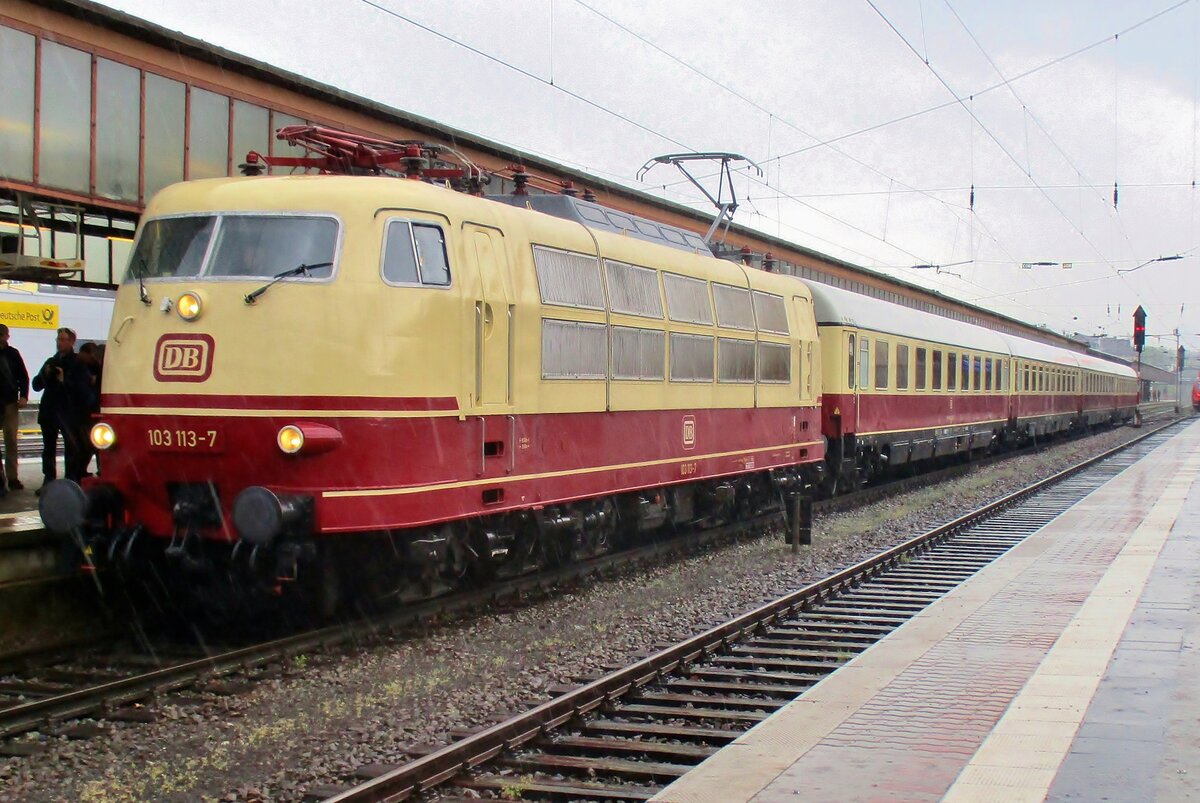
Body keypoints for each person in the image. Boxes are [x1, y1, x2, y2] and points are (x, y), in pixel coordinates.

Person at [32, 328, 91, 489]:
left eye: (64, 339)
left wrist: (64, 380)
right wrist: (45, 375)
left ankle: (70, 480)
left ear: (72, 342)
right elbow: (36, 385)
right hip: (49, 411)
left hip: (68, 413)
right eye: (58, 339)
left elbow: (82, 390)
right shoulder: (51, 361)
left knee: (71, 448)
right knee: (48, 448)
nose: (60, 343)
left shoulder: (78, 363)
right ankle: (49, 479)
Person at [0, 325, 30, 490]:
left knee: (11, 440)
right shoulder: (12, 354)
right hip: (9, 400)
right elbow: (23, 377)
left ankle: (12, 477)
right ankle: (6, 478)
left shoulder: (13, 354)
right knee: (10, 441)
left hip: (10, 402)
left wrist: (24, 396)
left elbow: (23, 376)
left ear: (6, 336)